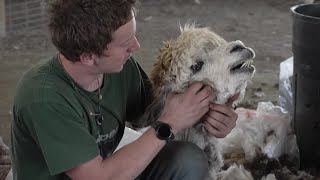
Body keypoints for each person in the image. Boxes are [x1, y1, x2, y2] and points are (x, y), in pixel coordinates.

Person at [10, 0, 239, 179]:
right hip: (100, 176)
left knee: (188, 159)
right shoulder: (44, 99)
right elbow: (98, 177)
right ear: (88, 57)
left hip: (112, 170)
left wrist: (211, 114)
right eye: (124, 43)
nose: (136, 46)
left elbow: (154, 112)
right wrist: (167, 125)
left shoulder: (118, 67)